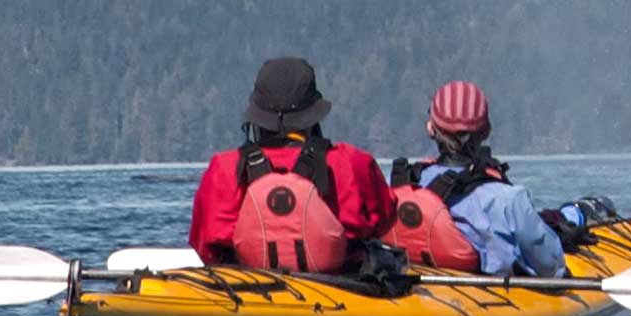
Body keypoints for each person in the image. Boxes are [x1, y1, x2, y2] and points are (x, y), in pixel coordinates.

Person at [189, 57, 396, 272]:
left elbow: (204, 245)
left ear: (258, 116)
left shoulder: (223, 168)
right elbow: (385, 219)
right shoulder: (352, 162)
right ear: (313, 115)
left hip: (244, 287)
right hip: (341, 285)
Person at [382, 80, 566, 277]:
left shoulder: (397, 187)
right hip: (491, 292)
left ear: (430, 129)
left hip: (417, 282)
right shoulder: (509, 200)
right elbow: (551, 265)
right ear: (486, 132)